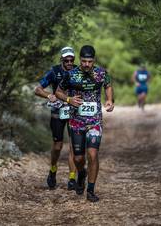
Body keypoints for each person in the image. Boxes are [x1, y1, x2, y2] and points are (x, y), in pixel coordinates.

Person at [55, 45, 114, 202]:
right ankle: (81, 174)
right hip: (76, 122)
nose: (87, 64)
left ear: (94, 60)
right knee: (79, 159)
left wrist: (109, 100)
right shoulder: (71, 75)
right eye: (84, 61)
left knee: (93, 154)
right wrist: (68, 99)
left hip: (95, 121)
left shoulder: (101, 73)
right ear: (79, 60)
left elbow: (108, 86)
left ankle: (91, 190)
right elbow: (58, 92)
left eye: (90, 61)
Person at [34, 47, 78, 190]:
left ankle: (72, 178)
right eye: (67, 60)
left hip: (74, 112)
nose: (70, 63)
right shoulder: (54, 71)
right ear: (62, 60)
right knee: (58, 146)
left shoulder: (78, 71)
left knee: (74, 146)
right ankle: (53, 170)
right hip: (57, 112)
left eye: (72, 60)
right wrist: (48, 95)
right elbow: (37, 89)